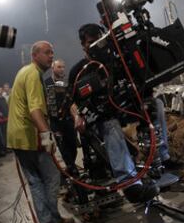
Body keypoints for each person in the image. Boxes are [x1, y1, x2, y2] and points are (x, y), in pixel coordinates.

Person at [68, 24, 159, 203]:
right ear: (83, 45)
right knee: (111, 125)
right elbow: (70, 100)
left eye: (100, 41)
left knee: (157, 105)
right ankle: (130, 184)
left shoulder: (114, 61)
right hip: (99, 118)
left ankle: (162, 159)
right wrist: (77, 115)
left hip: (122, 109)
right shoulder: (78, 71)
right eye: (91, 42)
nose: (96, 46)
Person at [7, 41, 76, 223]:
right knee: (53, 176)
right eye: (47, 53)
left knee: (35, 181)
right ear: (35, 55)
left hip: (16, 137)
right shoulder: (34, 75)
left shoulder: (25, 72)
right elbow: (35, 110)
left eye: (52, 53)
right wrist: (47, 136)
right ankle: (54, 219)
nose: (51, 56)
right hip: (29, 136)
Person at [44, 59, 78, 176]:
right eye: (59, 67)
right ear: (53, 68)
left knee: (73, 146)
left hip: (68, 120)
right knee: (63, 148)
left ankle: (71, 168)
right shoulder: (46, 83)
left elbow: (71, 102)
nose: (62, 69)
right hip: (55, 123)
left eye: (63, 67)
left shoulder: (65, 84)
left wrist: (76, 117)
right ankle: (73, 171)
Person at [0, 87, 9, 152]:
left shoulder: (3, 98)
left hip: (7, 118)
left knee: (7, 133)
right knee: (4, 134)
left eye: (1, 90)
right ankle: (6, 148)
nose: (1, 91)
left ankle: (8, 147)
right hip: (2, 120)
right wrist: (2, 116)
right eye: (0, 90)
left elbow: (6, 107)